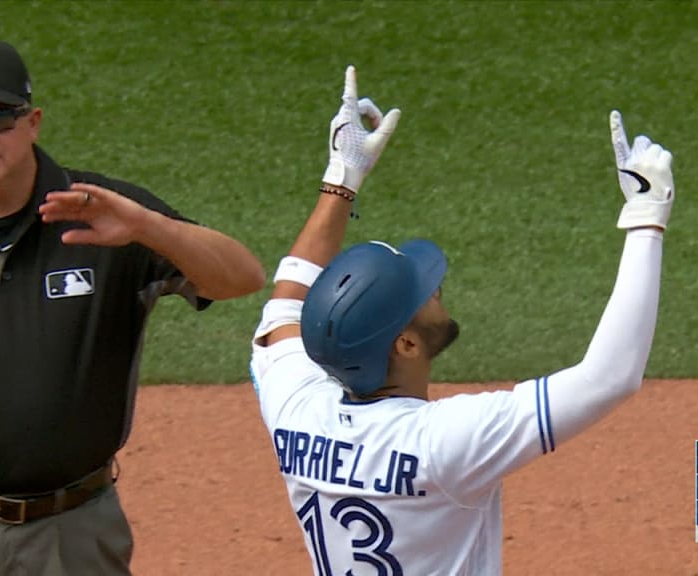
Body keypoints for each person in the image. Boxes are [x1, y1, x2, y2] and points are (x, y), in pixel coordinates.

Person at [250, 65, 675, 574]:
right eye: (422, 294)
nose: (436, 288)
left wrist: (343, 177)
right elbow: (610, 377)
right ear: (405, 344)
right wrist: (647, 217)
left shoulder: (295, 410)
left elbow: (286, 302)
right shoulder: (442, 443)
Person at [0, 40, 265, 574]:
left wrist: (148, 227)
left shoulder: (103, 213)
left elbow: (242, 278)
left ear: (33, 122)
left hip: (70, 533)